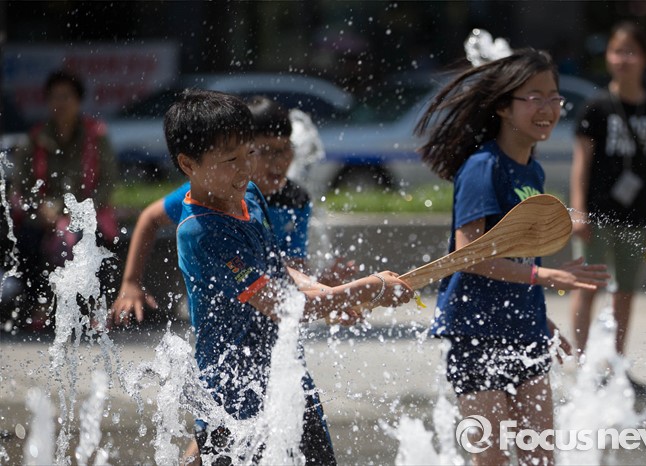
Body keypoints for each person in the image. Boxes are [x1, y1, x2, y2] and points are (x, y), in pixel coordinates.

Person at [163, 88, 414, 465]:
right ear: (188, 164)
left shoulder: (249, 196)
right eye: (230, 160)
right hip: (233, 400)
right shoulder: (203, 232)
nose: (245, 169)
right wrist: (366, 288)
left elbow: (279, 270)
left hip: (286, 377)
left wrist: (330, 294)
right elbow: (280, 306)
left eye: (249, 153)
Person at [415, 49, 609, 465]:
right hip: (476, 334)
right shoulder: (483, 168)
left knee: (540, 457)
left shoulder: (532, 172)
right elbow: (468, 256)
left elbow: (519, 259)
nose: (548, 108)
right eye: (535, 97)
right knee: (492, 459)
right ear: (504, 106)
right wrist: (547, 276)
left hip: (524, 333)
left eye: (554, 97)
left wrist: (544, 322)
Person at [111, 96, 353, 325]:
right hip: (226, 313)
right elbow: (150, 217)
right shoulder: (208, 195)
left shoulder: (294, 200)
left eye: (284, 149)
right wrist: (131, 282)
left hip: (266, 307)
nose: (279, 161)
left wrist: (325, 291)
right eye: (265, 151)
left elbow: (289, 269)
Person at [569, 21, 646, 385]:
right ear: (608, 57)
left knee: (625, 293)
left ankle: (617, 368)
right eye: (617, 51)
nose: (623, 59)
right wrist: (578, 211)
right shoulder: (596, 107)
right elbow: (581, 164)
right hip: (596, 214)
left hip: (637, 216)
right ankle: (583, 368)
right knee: (587, 287)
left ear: (645, 58)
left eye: (631, 51)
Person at [11, 68, 118, 330]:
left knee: (93, 241)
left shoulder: (96, 135)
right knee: (28, 241)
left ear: (78, 100)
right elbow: (23, 185)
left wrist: (80, 212)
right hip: (45, 216)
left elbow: (107, 182)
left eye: (66, 96)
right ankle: (41, 303)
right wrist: (41, 210)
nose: (60, 103)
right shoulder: (35, 138)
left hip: (87, 213)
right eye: (54, 97)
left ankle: (94, 305)